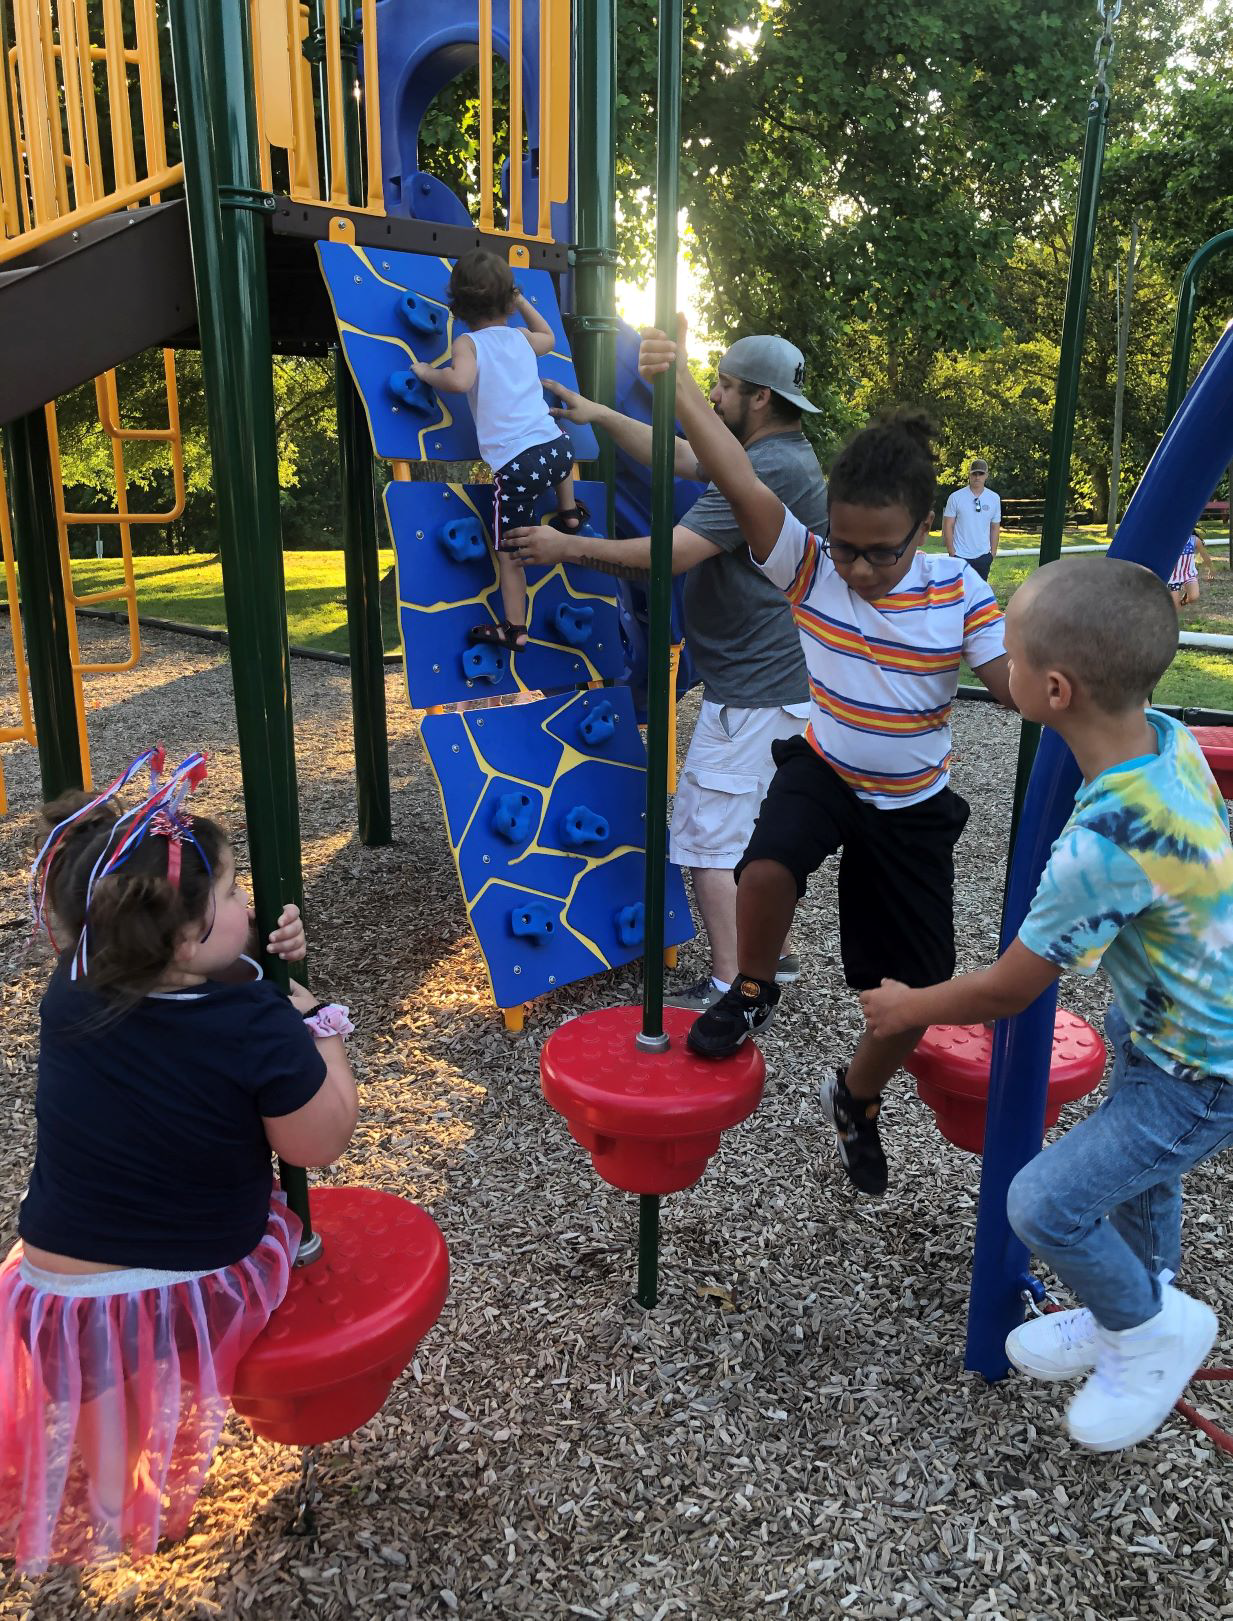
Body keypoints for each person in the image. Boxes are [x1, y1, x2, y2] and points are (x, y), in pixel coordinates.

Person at [861, 556, 1230, 1453]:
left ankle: (1148, 1335)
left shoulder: (1105, 838)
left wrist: (908, 1006)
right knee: (1140, 1180)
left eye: (1008, 654)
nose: (999, 663)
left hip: (1201, 1073)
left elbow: (1009, 986)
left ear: (1052, 689)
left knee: (1042, 1205)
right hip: (1168, 1036)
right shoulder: (1169, 737)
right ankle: (1131, 1305)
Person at [638, 320, 1011, 1196]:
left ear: (926, 526)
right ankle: (753, 986)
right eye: (846, 544)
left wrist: (1057, 686)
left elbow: (1011, 686)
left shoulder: (961, 591)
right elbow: (733, 473)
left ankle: (854, 1095)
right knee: (762, 864)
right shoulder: (811, 570)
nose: (863, 566)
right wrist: (681, 385)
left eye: (883, 549)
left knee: (912, 994)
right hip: (826, 763)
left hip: (913, 798)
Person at [0, 750, 359, 1571]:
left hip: (52, 1287)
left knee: (105, 1372)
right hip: (185, 1274)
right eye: (234, 893)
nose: (251, 902)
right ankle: (146, 1495)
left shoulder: (74, 987)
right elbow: (317, 1141)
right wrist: (319, 1022)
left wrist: (252, 956)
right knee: (165, 1310)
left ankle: (124, 1496)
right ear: (187, 932)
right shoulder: (255, 1023)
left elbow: (183, 985)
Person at [505, 335, 829, 1009]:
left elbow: (667, 555)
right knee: (756, 830)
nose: (711, 396)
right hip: (776, 685)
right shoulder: (771, 454)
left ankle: (728, 986)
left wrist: (564, 545)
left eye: (723, 387)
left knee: (708, 842)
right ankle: (771, 957)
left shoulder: (768, 469)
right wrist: (600, 413)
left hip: (752, 692)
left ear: (758, 397)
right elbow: (680, 454)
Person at [412, 249, 585, 652]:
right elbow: (549, 337)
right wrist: (522, 300)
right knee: (556, 451)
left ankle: (514, 627)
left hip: (517, 465)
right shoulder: (522, 338)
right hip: (558, 450)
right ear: (509, 300)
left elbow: (458, 382)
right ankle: (569, 513)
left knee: (511, 551)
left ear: (459, 305)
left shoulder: (468, 343)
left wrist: (425, 372)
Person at [942, 459, 1001, 581]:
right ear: (969, 475)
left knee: (979, 595)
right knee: (959, 594)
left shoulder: (994, 498)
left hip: (983, 556)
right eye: (974, 474)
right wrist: (952, 552)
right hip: (960, 555)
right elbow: (948, 525)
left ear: (986, 475)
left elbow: (995, 526)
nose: (977, 477)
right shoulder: (955, 497)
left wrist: (992, 553)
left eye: (981, 474)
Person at [1167, 529, 1214, 609]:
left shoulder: (1194, 540)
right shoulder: (1169, 540)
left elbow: (1205, 555)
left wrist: (1211, 569)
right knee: (1175, 607)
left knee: (1194, 597)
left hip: (1188, 574)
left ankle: (1183, 601)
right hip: (1173, 577)